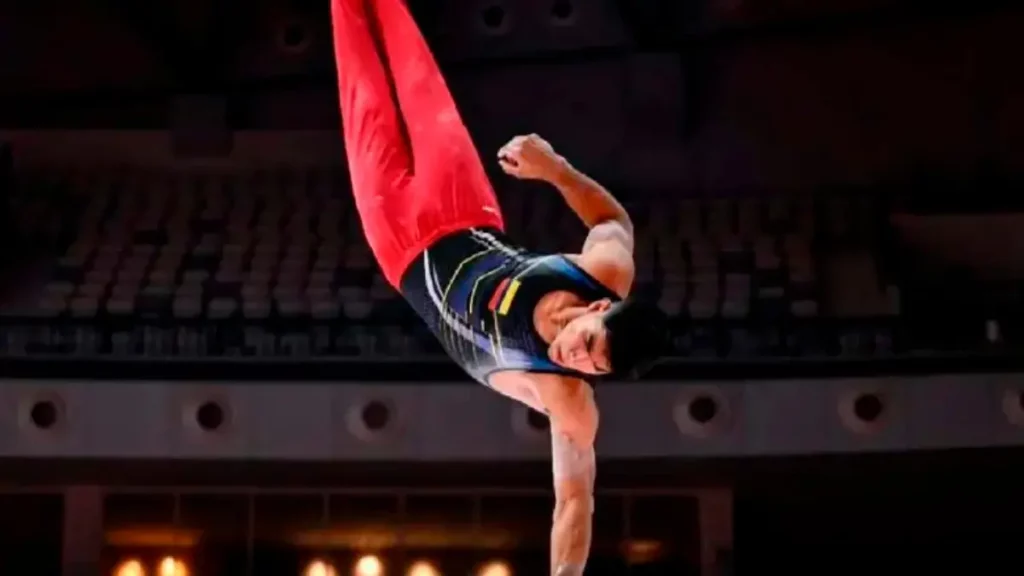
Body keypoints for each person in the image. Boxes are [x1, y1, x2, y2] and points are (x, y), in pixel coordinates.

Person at [330, 0, 668, 573]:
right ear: (599, 306)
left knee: (361, 79)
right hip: (464, 204)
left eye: (592, 367)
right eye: (589, 341)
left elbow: (575, 501)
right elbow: (613, 224)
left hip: (399, 243)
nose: (575, 357)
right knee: (414, 69)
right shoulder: (602, 272)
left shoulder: (568, 401)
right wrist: (556, 169)